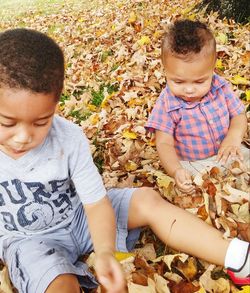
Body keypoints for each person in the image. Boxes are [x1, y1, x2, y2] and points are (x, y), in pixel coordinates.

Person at [0, 28, 249, 293]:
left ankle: (238, 257)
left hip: (81, 218)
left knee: (146, 200)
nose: (22, 137)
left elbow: (96, 204)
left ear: (55, 104)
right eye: (7, 122)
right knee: (59, 284)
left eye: (41, 122)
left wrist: (106, 251)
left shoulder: (69, 138)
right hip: (30, 240)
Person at [146, 19, 249, 195]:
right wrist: (176, 170)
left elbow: (239, 115)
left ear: (212, 68)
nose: (189, 89)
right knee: (193, 189)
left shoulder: (220, 87)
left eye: (200, 81)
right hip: (192, 163)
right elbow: (163, 143)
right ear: (165, 71)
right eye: (178, 81)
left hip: (228, 151)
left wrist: (233, 138)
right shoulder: (167, 104)